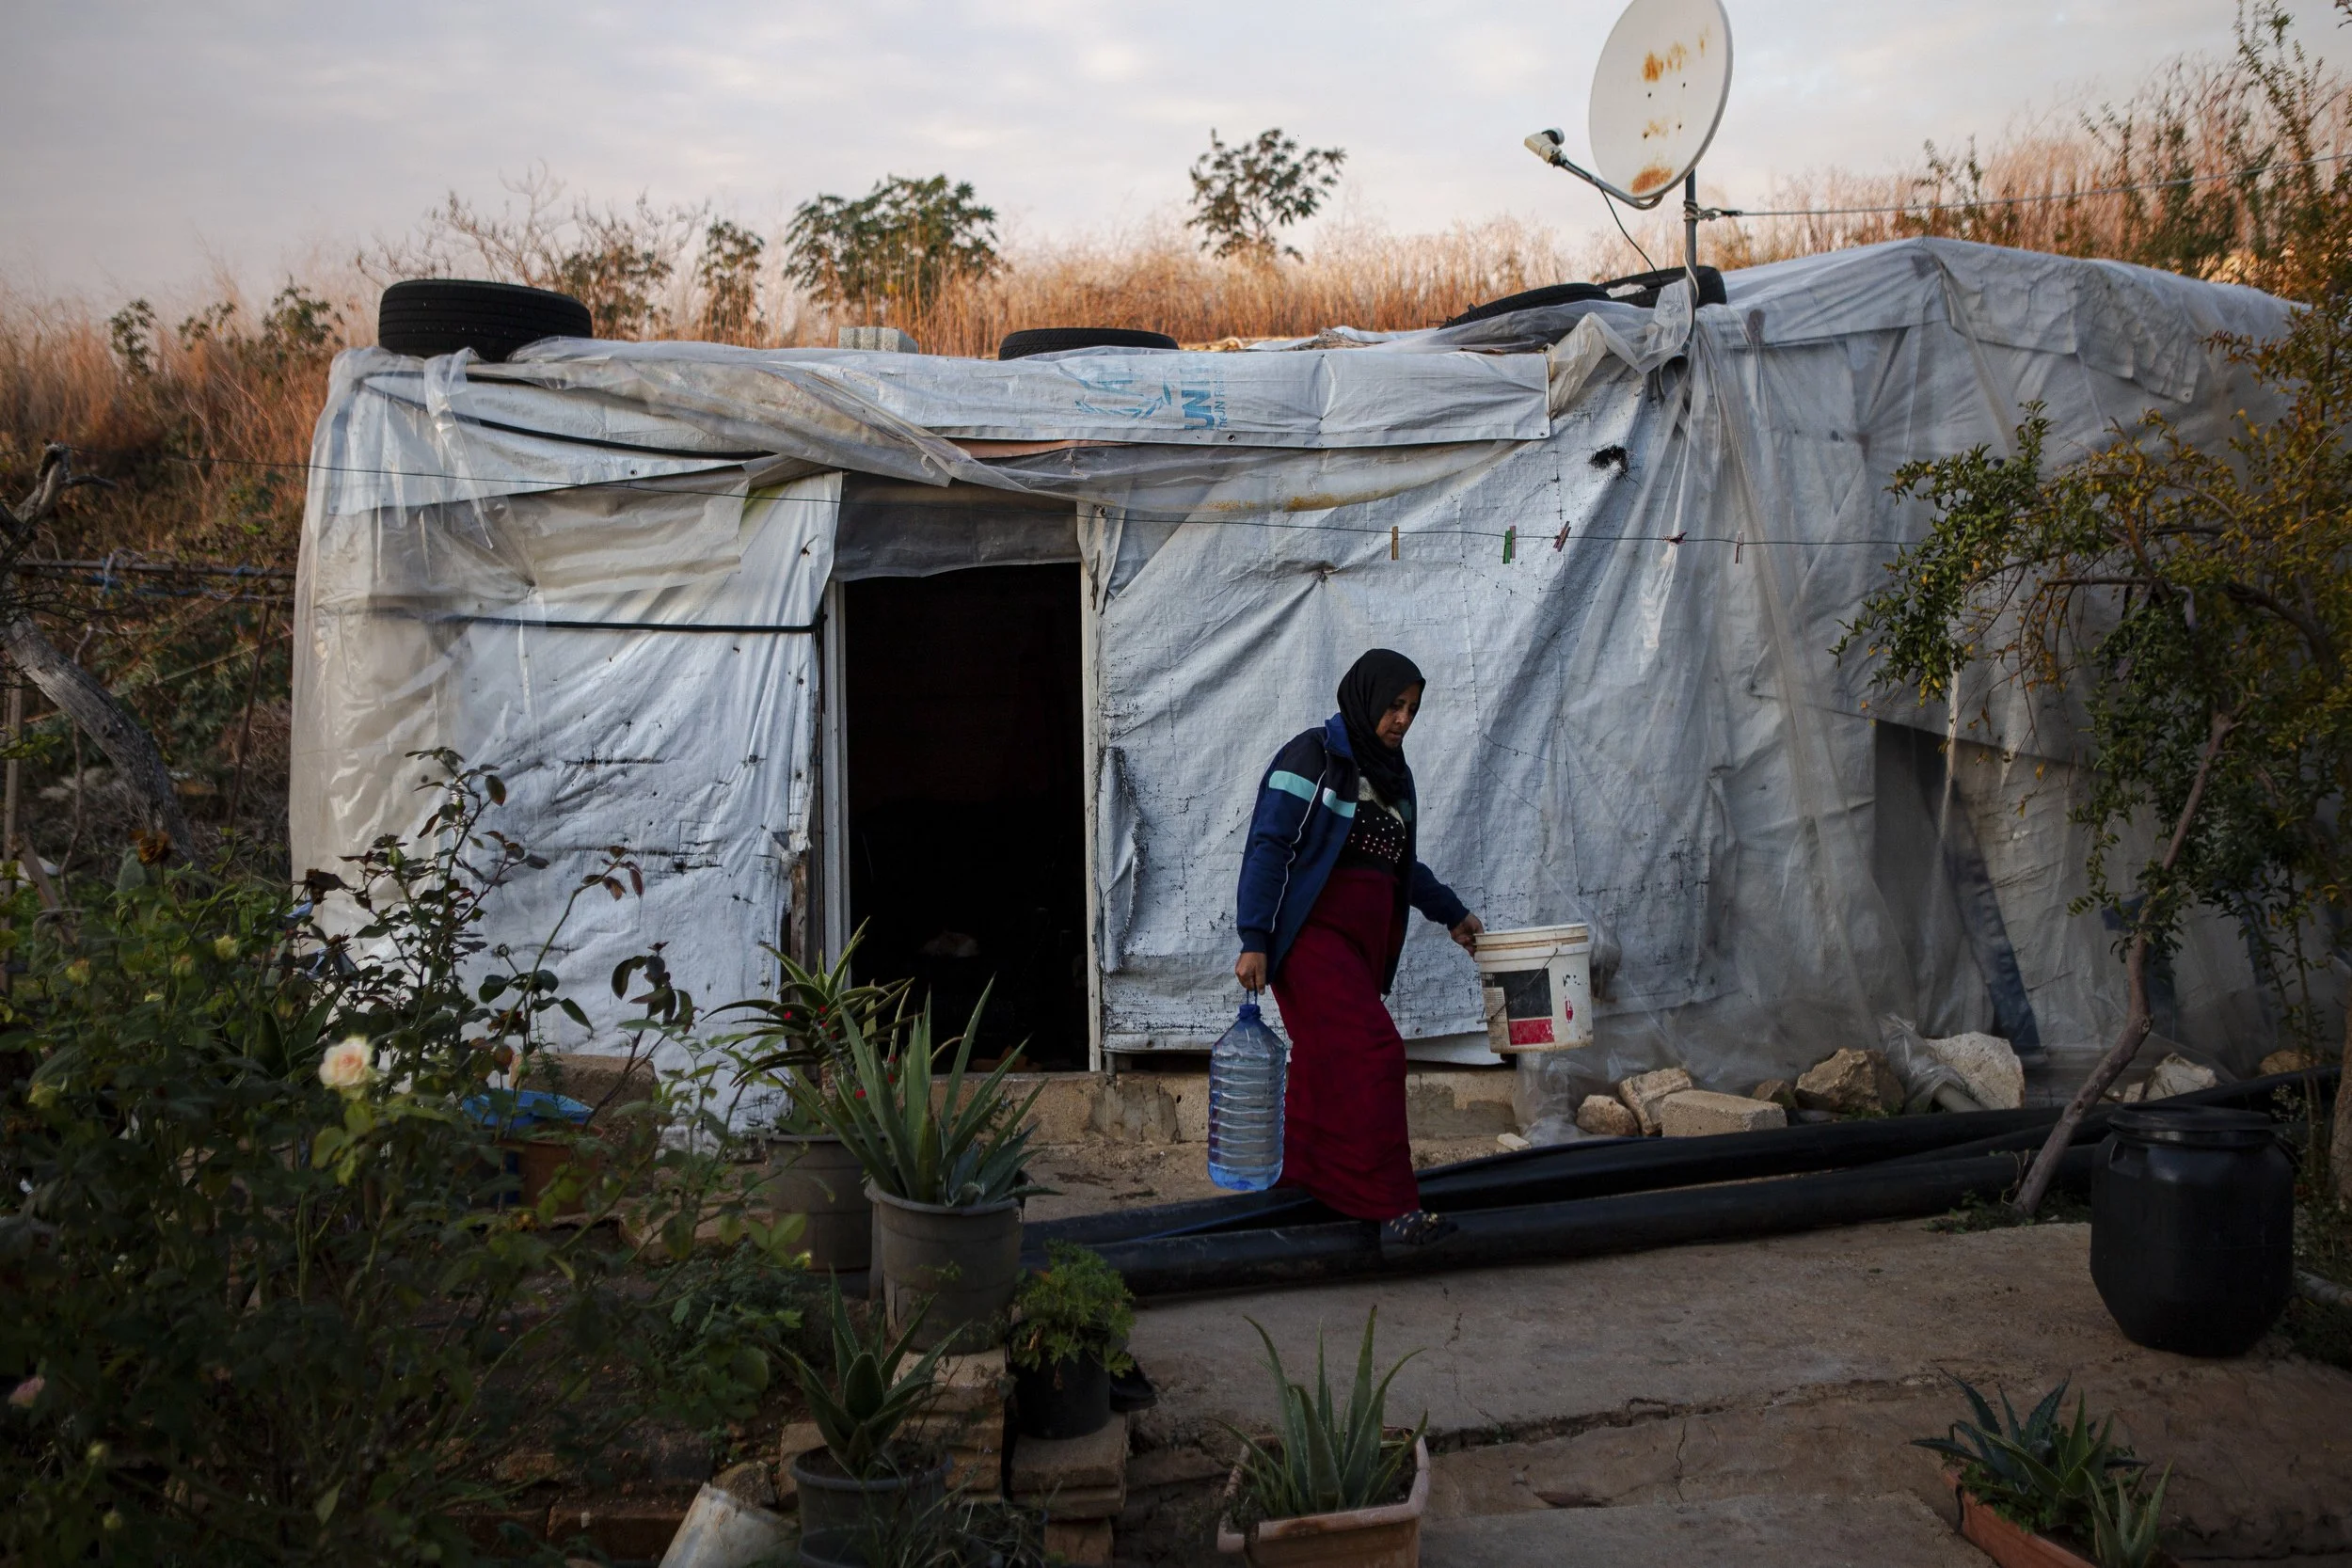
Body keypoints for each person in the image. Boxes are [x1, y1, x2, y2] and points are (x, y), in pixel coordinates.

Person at [1232, 648, 1483, 1246]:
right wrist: (1255, 938)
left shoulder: (1394, 778)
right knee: (1375, 1053)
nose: (1401, 720)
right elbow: (1270, 845)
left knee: (1324, 1068)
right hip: (1310, 943)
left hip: (1357, 953)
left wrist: (1453, 913)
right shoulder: (1314, 756)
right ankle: (1392, 1206)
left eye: (1412, 710)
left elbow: (1400, 867)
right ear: (1366, 697)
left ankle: (1302, 1187)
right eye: (1394, 705)